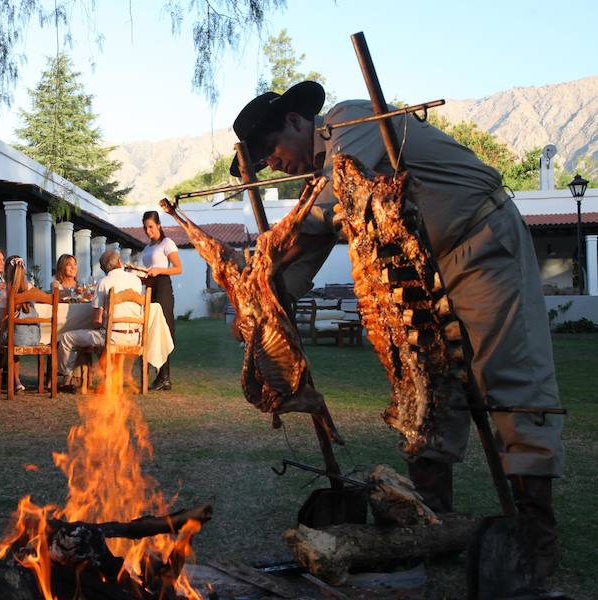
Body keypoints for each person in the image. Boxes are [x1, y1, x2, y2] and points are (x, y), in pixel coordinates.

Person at [230, 80, 564, 582]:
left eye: (270, 150)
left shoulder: (352, 125)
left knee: (512, 379)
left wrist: (273, 251)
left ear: (298, 123)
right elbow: (299, 263)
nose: (271, 164)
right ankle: (430, 525)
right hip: (420, 274)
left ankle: (536, 538)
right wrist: (260, 301)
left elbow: (327, 208)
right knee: (425, 392)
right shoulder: (315, 188)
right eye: (260, 161)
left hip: (481, 244)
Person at [57, 250, 143, 391]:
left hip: (112, 337)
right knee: (98, 340)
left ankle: (66, 377)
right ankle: (111, 379)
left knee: (67, 338)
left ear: (104, 269)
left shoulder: (104, 282)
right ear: (120, 262)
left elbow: (96, 319)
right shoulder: (136, 280)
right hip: (135, 337)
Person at [141, 211, 181, 391]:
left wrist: (159, 270)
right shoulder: (147, 248)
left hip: (163, 287)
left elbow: (178, 268)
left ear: (158, 225)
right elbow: (150, 270)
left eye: (150, 226)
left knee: (164, 329)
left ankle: (164, 376)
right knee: (150, 329)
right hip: (150, 287)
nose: (148, 230)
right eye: (145, 227)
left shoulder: (167, 243)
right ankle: (159, 375)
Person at [0, 255, 40, 393]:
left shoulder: (6, 292)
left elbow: (3, 321)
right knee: (16, 336)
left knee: (3, 340)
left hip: (17, 339)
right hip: (35, 338)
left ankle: (12, 380)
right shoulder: (31, 288)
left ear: (7, 272)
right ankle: (11, 379)